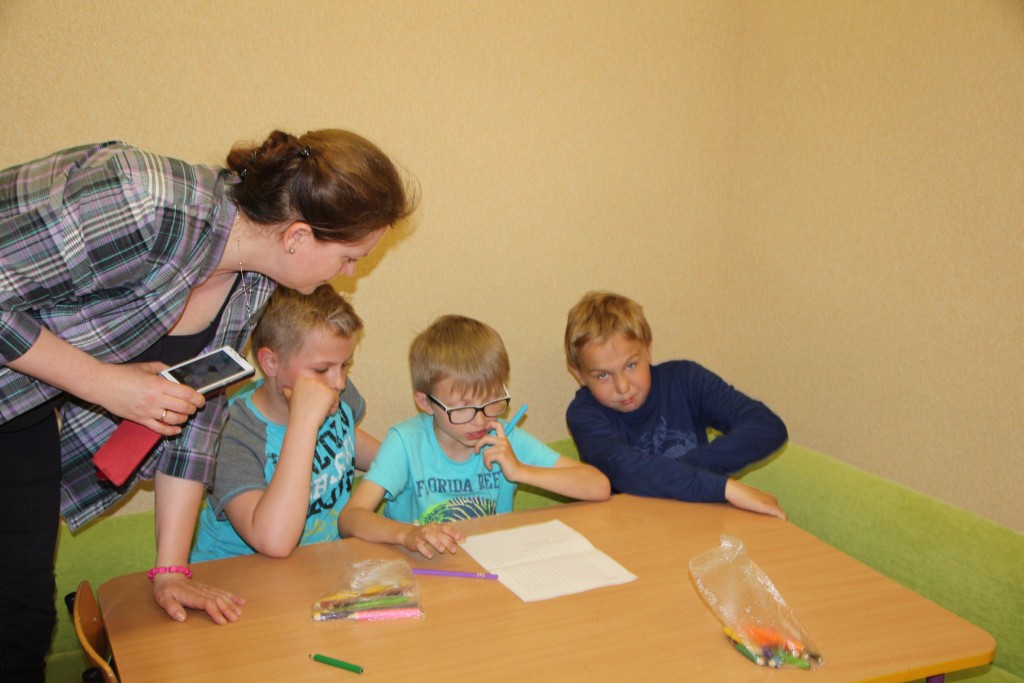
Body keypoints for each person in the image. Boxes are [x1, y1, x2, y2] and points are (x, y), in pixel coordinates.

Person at [0, 129, 415, 681]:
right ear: (297, 236)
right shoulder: (141, 198)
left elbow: (194, 419)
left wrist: (171, 570)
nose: (349, 274)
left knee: (20, 618)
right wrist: (104, 384)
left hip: (18, 407)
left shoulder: (251, 284)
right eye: (349, 257)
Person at [339, 315, 610, 558]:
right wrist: (407, 534)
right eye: (462, 408)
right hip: (425, 572)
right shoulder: (406, 443)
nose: (480, 420)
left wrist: (521, 471)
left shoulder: (504, 437)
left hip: (494, 566)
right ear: (425, 402)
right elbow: (350, 518)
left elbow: (598, 486)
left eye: (491, 402)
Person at [191, 285, 379, 562]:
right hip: (238, 574)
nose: (339, 383)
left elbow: (346, 436)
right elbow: (274, 541)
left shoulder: (330, 387)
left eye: (345, 365)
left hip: (314, 564)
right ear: (271, 363)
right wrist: (303, 423)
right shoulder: (231, 432)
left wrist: (404, 463)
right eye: (321, 369)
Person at [563, 291, 788, 519]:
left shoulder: (686, 380)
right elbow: (625, 470)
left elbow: (767, 426)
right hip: (630, 530)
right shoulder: (584, 414)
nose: (622, 387)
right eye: (603, 375)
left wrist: (682, 470)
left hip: (701, 522)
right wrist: (722, 487)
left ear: (648, 349)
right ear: (579, 374)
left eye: (631, 365)